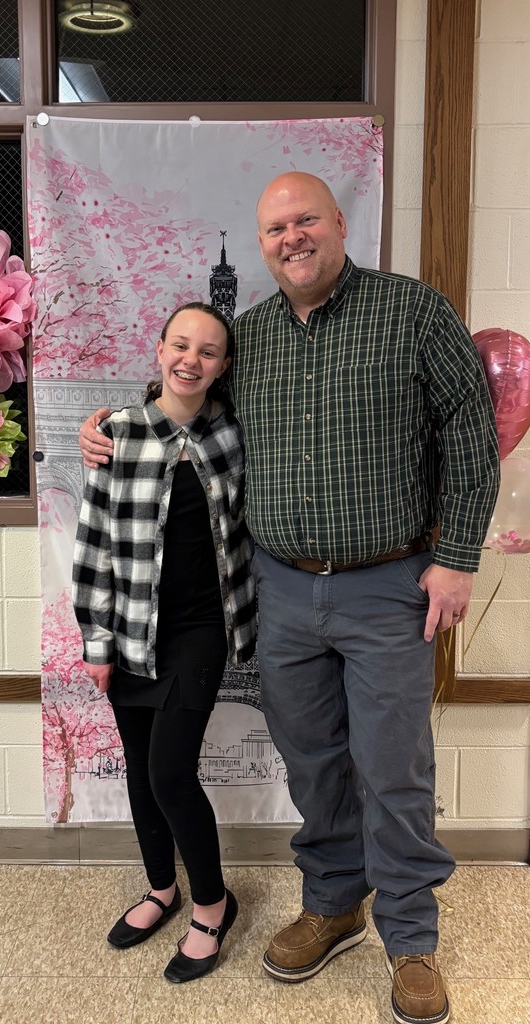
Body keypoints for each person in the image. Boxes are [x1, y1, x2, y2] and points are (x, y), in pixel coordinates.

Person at [78, 174, 500, 1023]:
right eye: (275, 227)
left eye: (306, 219)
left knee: (393, 767)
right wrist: (109, 424)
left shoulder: (413, 310)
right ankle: (334, 901)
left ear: (340, 224)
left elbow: (471, 428)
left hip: (391, 585)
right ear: (262, 242)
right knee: (311, 761)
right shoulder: (253, 335)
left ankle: (411, 937)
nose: (291, 237)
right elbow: (184, 409)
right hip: (280, 591)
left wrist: (456, 557)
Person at [73, 302, 256, 984]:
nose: (191, 359)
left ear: (224, 367)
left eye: (208, 351)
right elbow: (92, 544)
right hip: (128, 633)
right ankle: (162, 889)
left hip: (202, 630)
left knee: (170, 772)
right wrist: (96, 638)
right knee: (141, 767)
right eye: (181, 345)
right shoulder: (117, 435)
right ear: (158, 351)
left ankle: (212, 905)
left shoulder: (236, 435)